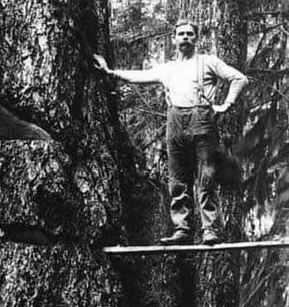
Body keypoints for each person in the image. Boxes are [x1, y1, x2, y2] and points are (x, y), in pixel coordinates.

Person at [94, 20, 248, 245]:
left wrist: (226, 105)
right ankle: (182, 230)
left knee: (206, 179)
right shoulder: (168, 68)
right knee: (177, 180)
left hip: (202, 123)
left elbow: (239, 79)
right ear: (174, 39)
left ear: (196, 38)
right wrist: (111, 72)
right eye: (181, 34)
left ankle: (210, 230)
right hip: (174, 123)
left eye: (190, 34)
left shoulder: (208, 62)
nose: (185, 37)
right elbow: (140, 76)